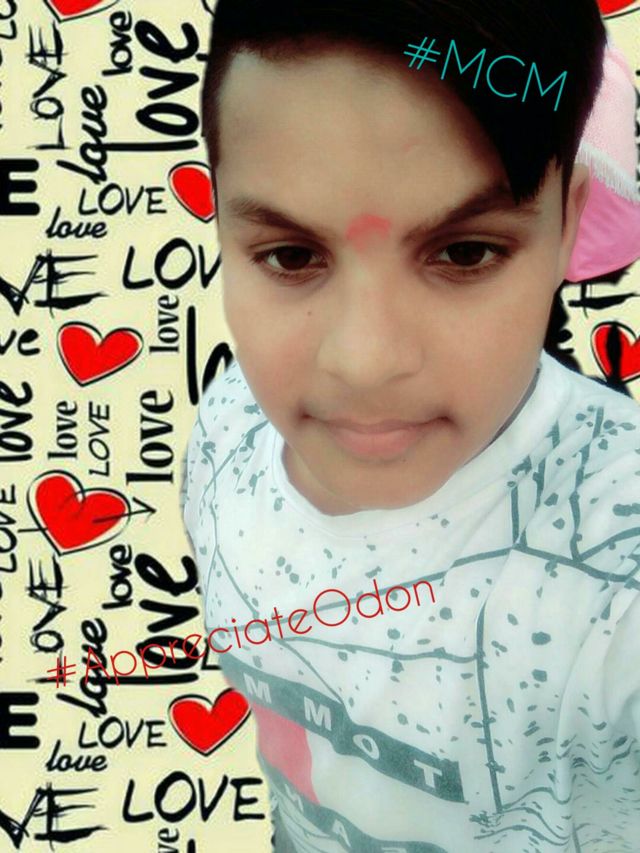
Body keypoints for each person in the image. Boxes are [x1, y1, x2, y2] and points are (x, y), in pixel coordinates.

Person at [180, 1, 640, 850]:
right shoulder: (228, 426)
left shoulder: (614, 564)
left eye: (465, 253)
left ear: (569, 222)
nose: (365, 361)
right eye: (290, 256)